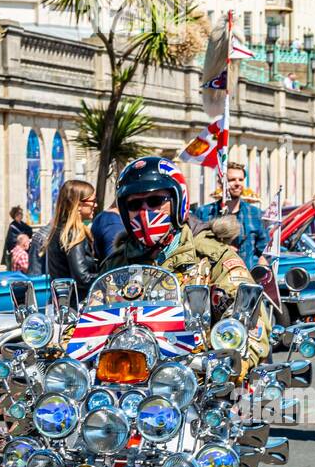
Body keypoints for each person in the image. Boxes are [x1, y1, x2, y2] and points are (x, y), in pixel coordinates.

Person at [103, 155, 272, 376]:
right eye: (134, 204)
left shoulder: (211, 257)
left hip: (196, 382)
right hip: (128, 380)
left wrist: (233, 357)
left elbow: (247, 317)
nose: (145, 212)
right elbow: (91, 318)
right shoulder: (115, 266)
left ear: (177, 202)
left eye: (155, 201)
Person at [193, 159, 266, 269]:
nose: (237, 183)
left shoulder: (255, 213)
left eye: (240, 179)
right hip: (213, 278)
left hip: (245, 278)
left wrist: (261, 265)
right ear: (221, 182)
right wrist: (222, 248)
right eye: (232, 180)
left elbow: (265, 250)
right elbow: (193, 245)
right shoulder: (204, 212)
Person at [45, 179, 99, 298]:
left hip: (62, 303)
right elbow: (82, 278)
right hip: (75, 306)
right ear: (78, 205)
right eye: (93, 201)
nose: (96, 205)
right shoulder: (74, 232)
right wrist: (107, 280)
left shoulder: (59, 230)